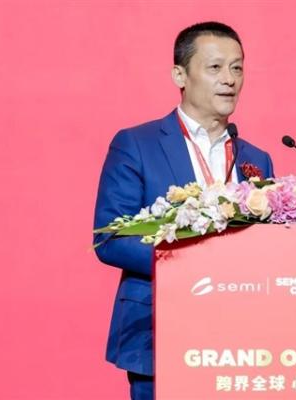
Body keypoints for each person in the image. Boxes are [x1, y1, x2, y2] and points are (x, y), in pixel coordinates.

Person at [93, 21, 274, 399]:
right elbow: (110, 237)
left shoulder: (256, 159)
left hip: (240, 341)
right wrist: (194, 264)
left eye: (237, 68)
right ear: (180, 75)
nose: (229, 79)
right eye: (215, 67)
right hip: (160, 330)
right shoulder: (137, 144)